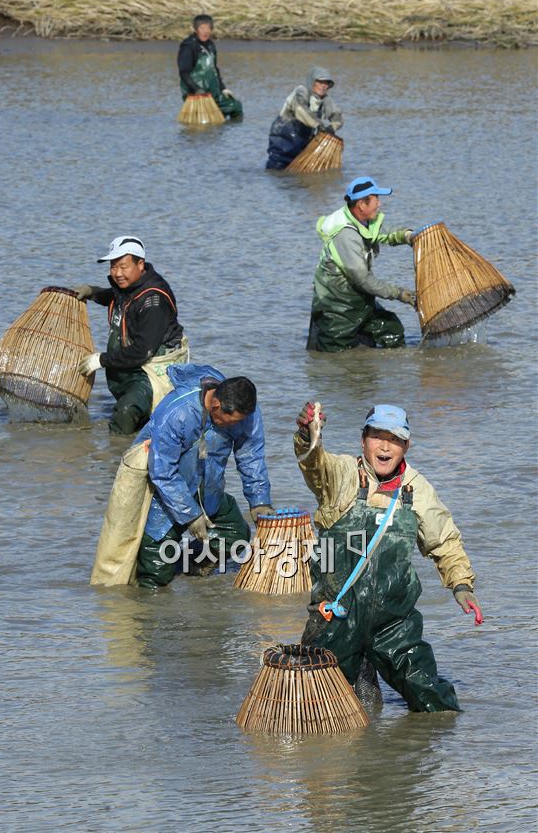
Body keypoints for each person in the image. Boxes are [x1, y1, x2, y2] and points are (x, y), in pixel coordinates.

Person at [294, 401, 483, 713]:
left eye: (395, 439)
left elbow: (444, 540)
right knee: (314, 707)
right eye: (377, 436)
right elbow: (312, 463)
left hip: (393, 621)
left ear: (406, 445)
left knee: (434, 702)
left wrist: (461, 584)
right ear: (363, 440)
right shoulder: (341, 474)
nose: (385, 446)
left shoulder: (417, 489)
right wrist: (307, 435)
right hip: (336, 615)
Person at [134, 364, 273, 589]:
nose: (238, 426)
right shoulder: (178, 412)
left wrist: (259, 501)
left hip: (209, 491)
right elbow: (162, 472)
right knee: (154, 577)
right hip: (164, 498)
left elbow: (251, 455)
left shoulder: (246, 413)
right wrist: (190, 515)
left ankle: (186, 567)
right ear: (216, 405)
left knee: (236, 536)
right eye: (233, 422)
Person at [76, 236, 188, 436]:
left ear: (140, 264)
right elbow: (118, 296)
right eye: (113, 266)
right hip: (130, 366)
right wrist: (93, 293)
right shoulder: (129, 287)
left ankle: (118, 454)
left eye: (123, 266)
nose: (117, 273)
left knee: (124, 414)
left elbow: (141, 352)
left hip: (150, 372)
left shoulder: (154, 301)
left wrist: (100, 360)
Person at [307, 176, 416, 351]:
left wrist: (407, 235)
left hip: (359, 299)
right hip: (336, 306)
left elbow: (383, 232)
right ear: (361, 205)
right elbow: (363, 279)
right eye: (375, 200)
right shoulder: (346, 236)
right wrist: (398, 293)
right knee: (334, 356)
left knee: (391, 329)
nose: (379, 204)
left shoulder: (363, 220)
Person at [266, 67, 343, 170]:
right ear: (312, 81)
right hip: (284, 136)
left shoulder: (325, 100)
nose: (323, 86)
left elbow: (338, 117)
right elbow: (300, 110)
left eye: (326, 83)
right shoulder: (301, 91)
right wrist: (318, 125)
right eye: (320, 82)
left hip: (302, 139)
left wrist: (332, 128)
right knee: (276, 168)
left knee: (298, 171)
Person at [177, 14, 243, 119]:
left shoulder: (210, 45)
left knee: (236, 106)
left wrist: (223, 88)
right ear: (196, 29)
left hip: (214, 93)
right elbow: (183, 72)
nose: (205, 31)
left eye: (208, 28)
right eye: (202, 28)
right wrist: (196, 89)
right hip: (196, 95)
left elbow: (214, 69)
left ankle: (226, 129)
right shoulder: (188, 46)